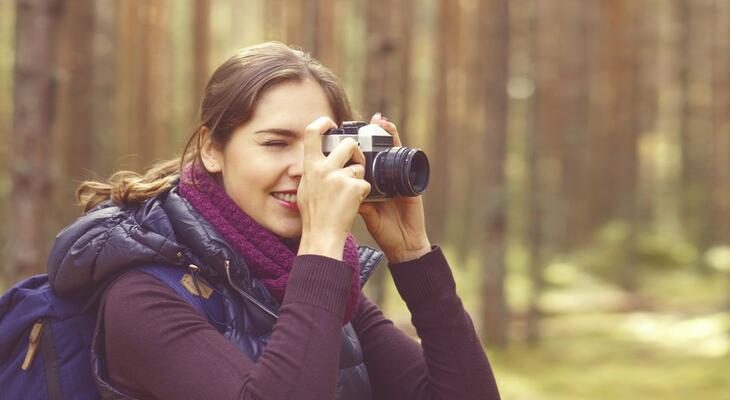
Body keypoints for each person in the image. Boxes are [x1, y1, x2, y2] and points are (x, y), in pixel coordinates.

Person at [47, 42, 500, 400]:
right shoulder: (143, 294)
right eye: (275, 143)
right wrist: (321, 244)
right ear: (211, 149)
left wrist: (412, 256)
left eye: (317, 146)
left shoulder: (315, 280)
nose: (303, 168)